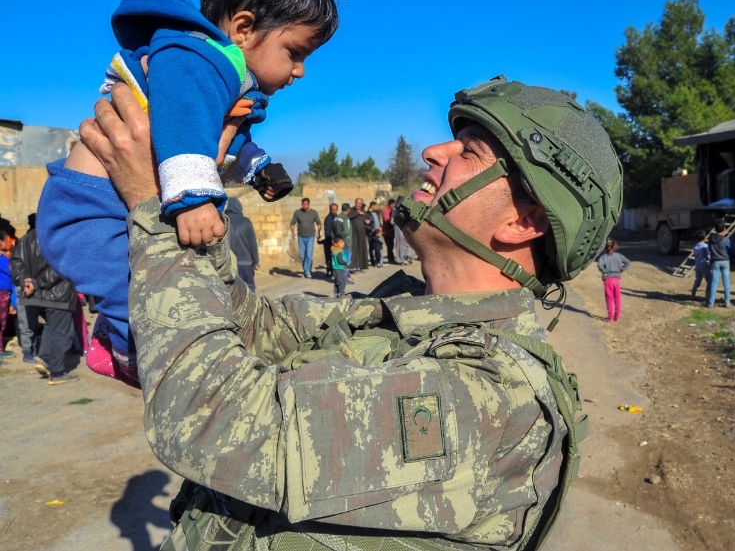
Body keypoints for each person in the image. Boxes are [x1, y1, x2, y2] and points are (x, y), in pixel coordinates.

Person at [81, 76, 622, 550]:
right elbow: (255, 328)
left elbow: (212, 420)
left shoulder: (491, 394)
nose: (434, 151)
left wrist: (152, 205)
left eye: (470, 152)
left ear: (523, 223)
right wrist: (193, 195)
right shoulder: (401, 314)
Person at [36, 0, 352, 387]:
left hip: (106, 202)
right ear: (244, 27)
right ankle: (124, 349)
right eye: (295, 52)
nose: (300, 71)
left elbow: (220, 136)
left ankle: (120, 339)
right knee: (134, 287)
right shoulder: (196, 56)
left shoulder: (220, 74)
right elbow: (183, 122)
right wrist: (195, 199)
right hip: (88, 208)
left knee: (162, 283)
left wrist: (257, 166)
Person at [10, 214, 79, 384]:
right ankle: (56, 372)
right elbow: (61, 268)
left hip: (34, 296)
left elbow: (16, 262)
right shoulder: (58, 237)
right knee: (63, 333)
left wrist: (24, 280)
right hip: (58, 294)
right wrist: (35, 282)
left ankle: (46, 359)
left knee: (52, 328)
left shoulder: (25, 239)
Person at [225, 197, 260, 291]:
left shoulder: (224, 221)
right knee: (249, 288)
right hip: (245, 262)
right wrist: (256, 262)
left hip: (229, 264)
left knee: (232, 290)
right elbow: (252, 244)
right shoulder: (246, 222)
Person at [596, 238, 630, 322]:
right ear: (614, 246)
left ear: (605, 247)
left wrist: (604, 271)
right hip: (616, 279)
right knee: (617, 299)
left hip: (608, 280)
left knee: (609, 299)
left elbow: (600, 265)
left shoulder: (603, 257)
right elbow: (628, 262)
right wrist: (621, 269)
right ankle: (617, 317)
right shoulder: (619, 256)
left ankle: (610, 317)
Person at [289, 198, 322, 278]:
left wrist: (318, 233)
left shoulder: (314, 213)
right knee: (302, 255)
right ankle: (307, 269)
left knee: (309, 254)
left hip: (311, 236)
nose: (305, 206)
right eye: (303, 204)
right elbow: (292, 223)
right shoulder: (297, 213)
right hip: (301, 236)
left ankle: (307, 271)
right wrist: (293, 233)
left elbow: (319, 223)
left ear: (309, 204)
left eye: (306, 204)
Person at [706, 219, 732, 308]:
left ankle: (710, 303)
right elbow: (729, 248)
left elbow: (709, 248)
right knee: (726, 282)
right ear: (724, 229)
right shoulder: (726, 240)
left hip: (715, 261)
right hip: (725, 261)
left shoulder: (710, 239)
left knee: (714, 282)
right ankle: (727, 302)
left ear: (715, 229)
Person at [347, 197, 370, 271]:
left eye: (360, 203)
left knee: (361, 248)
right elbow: (348, 217)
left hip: (362, 232)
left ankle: (361, 265)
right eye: (357, 203)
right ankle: (353, 265)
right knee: (354, 248)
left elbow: (365, 218)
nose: (358, 205)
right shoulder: (351, 210)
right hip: (353, 233)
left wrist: (366, 221)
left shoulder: (363, 211)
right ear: (355, 203)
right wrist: (357, 213)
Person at [691, 230, 711, 301]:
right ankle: (707, 297)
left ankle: (693, 295)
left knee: (697, 281)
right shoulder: (705, 246)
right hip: (705, 265)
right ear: (705, 237)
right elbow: (708, 256)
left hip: (697, 264)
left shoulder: (695, 246)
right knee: (709, 280)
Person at [321, 202, 339, 275]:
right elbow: (328, 231)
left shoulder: (336, 217)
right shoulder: (328, 219)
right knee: (329, 257)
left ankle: (332, 271)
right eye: (333, 209)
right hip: (330, 241)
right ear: (330, 209)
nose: (334, 211)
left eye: (335, 209)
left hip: (335, 240)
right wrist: (332, 240)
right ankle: (329, 271)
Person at [366, 201, 382, 265]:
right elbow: (365, 225)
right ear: (372, 206)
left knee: (377, 247)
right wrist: (371, 229)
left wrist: (380, 227)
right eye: (376, 206)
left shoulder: (376, 213)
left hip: (377, 233)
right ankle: (373, 261)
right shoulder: (367, 214)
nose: (377, 207)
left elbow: (378, 221)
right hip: (371, 233)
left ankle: (378, 261)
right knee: (371, 247)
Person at [381, 198, 397, 263]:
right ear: (389, 204)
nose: (393, 205)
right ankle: (390, 259)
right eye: (392, 204)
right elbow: (387, 220)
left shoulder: (392, 210)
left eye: (394, 204)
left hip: (391, 231)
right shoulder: (385, 210)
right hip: (386, 231)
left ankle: (391, 257)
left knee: (391, 245)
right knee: (389, 246)